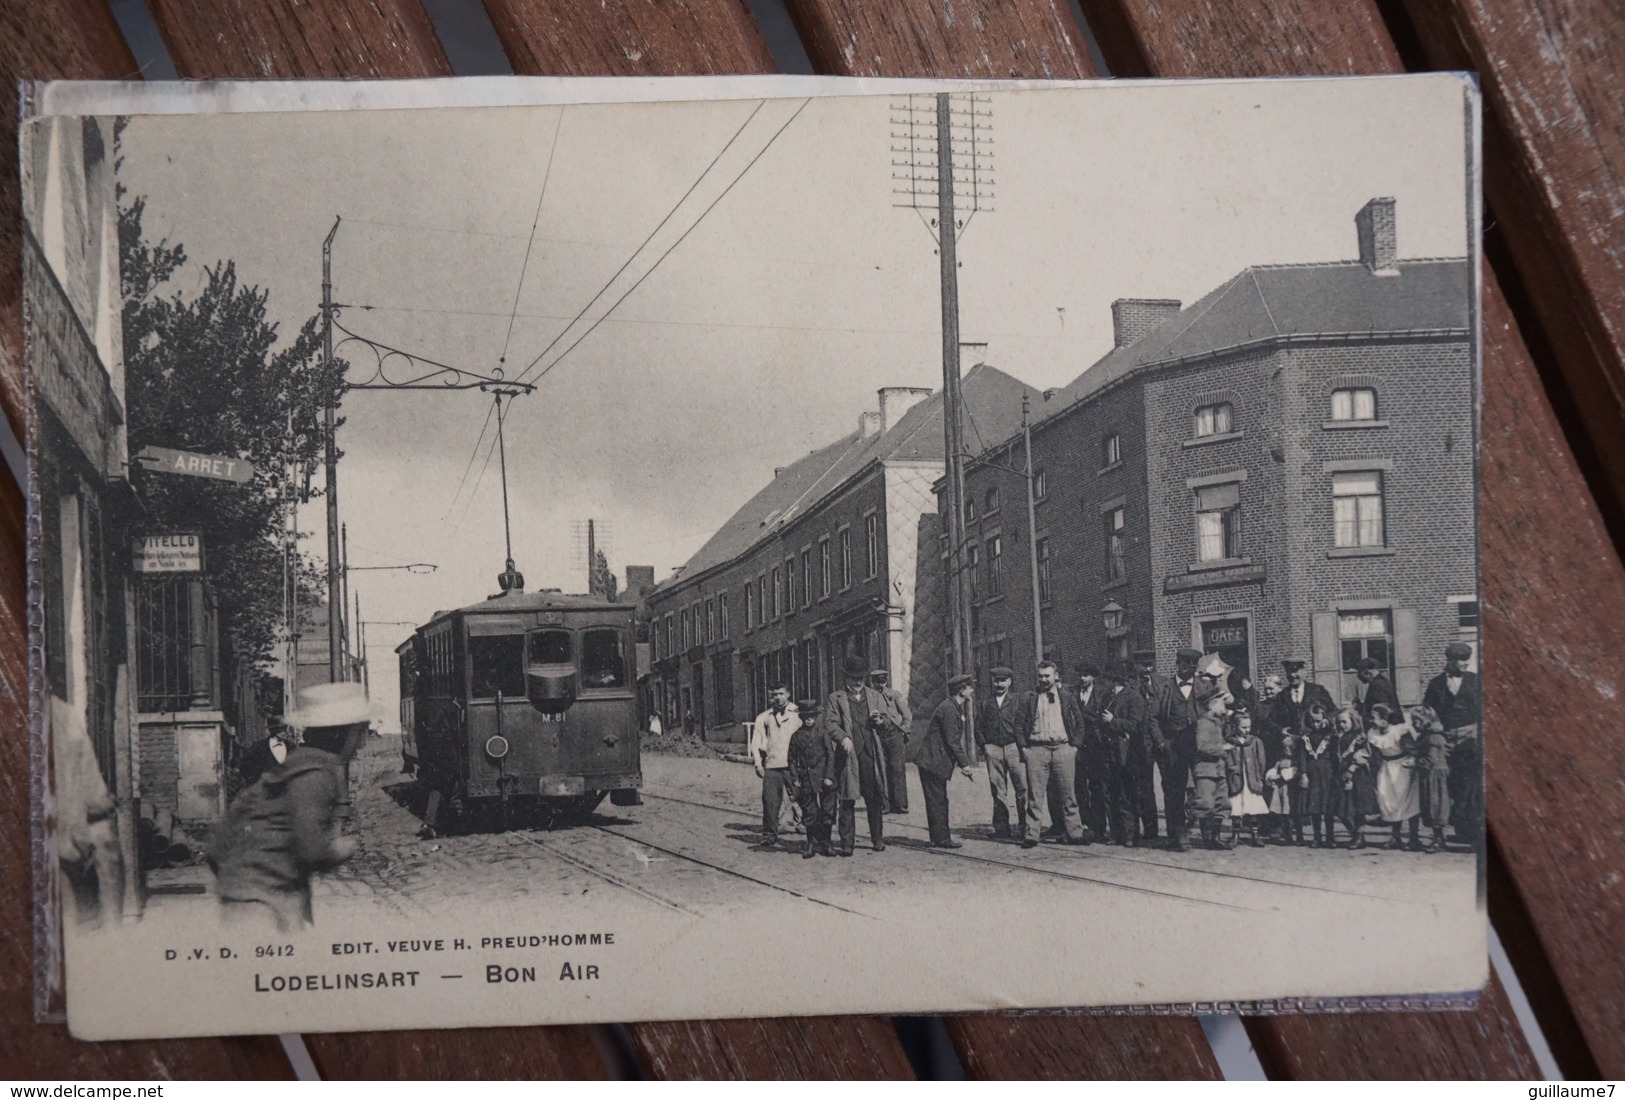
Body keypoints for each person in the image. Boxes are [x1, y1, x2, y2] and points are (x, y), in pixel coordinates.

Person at [211, 682, 363, 931]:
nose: (360, 739)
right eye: (359, 730)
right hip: (262, 894)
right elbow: (311, 846)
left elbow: (222, 839)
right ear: (342, 734)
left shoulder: (298, 763)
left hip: (256, 887)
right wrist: (341, 849)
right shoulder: (314, 773)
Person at [821, 655, 892, 854]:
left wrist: (880, 721)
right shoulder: (836, 698)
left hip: (870, 754)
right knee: (847, 799)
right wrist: (843, 737)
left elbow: (887, 720)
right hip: (848, 756)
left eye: (861, 677)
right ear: (846, 678)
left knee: (874, 799)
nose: (858, 681)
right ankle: (847, 844)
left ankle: (877, 839)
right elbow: (830, 723)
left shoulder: (875, 696)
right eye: (854, 677)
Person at [1021, 661, 1088, 848]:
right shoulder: (1029, 697)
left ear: (1056, 676)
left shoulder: (1066, 696)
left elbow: (1080, 723)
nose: (1043, 680)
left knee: (1068, 794)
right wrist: (1025, 750)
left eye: (1047, 676)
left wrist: (1074, 747)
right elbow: (1019, 725)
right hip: (1037, 750)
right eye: (1040, 676)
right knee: (1035, 795)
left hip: (1062, 749)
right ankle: (1031, 836)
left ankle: (1075, 833)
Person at [1423, 642, 1482, 848]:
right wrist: (1434, 727)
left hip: (1470, 738)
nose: (1465, 664)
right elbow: (1427, 712)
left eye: (1467, 660)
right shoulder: (1436, 684)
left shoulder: (1476, 681)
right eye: (1461, 660)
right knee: (1442, 786)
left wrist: (1478, 733)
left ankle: (1470, 834)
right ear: (1449, 660)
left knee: (1469, 786)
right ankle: (1439, 836)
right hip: (1443, 739)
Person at [1152, 647, 1205, 852]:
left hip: (1197, 745)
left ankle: (1210, 834)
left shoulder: (1203, 686)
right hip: (1172, 746)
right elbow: (1153, 718)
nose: (1188, 669)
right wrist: (1161, 742)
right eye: (1185, 665)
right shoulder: (1164, 687)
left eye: (1192, 666)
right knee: (1174, 791)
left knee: (1204, 787)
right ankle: (1177, 834)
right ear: (1178, 664)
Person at [918, 675, 978, 847]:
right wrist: (965, 764)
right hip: (933, 762)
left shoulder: (952, 706)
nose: (972, 691)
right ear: (962, 690)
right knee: (937, 800)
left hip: (934, 761)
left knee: (938, 800)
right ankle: (942, 839)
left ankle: (939, 837)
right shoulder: (949, 709)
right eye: (969, 688)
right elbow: (952, 741)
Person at [1095, 663, 1150, 846]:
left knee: (1126, 794)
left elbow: (1135, 725)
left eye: (1109, 679)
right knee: (1110, 793)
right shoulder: (1108, 697)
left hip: (1126, 752)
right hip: (1108, 750)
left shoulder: (1133, 697)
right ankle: (1116, 833)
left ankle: (1130, 835)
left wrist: (1113, 721)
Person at [977, 666, 1030, 839]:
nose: (999, 684)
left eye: (1003, 680)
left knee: (1022, 788)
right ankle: (1001, 828)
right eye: (996, 680)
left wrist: (1022, 745)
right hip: (993, 749)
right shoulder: (986, 703)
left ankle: (1025, 827)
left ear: (1009, 681)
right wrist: (984, 745)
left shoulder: (1017, 701)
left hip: (1013, 747)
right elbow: (978, 726)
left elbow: (1024, 723)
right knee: (998, 789)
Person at [748, 684, 800, 848]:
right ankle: (770, 834)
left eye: (781, 693)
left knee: (801, 797)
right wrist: (758, 762)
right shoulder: (764, 717)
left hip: (794, 765)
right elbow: (756, 742)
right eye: (774, 694)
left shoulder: (798, 714)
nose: (778, 697)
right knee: (770, 801)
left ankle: (805, 826)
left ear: (788, 694)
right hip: (772, 764)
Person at [1366, 701, 1422, 850]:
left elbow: (1413, 750)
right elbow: (1373, 754)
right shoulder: (1373, 734)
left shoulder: (1399, 731)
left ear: (1384, 719)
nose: (1371, 720)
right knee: (1389, 801)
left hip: (1403, 768)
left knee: (1408, 801)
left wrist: (1412, 760)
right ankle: (1395, 836)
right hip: (1387, 768)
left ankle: (1414, 837)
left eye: (1374, 717)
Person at [788, 698, 835, 858]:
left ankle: (826, 843)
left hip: (824, 779)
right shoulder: (796, 736)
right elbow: (792, 759)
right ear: (801, 717)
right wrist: (795, 777)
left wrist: (829, 776)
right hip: (806, 778)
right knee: (810, 811)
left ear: (816, 717)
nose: (809, 719)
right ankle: (810, 844)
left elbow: (830, 755)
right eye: (806, 716)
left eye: (812, 716)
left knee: (827, 811)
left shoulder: (823, 734)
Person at [1190, 682, 1234, 850]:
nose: (1224, 705)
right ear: (1213, 704)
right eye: (1222, 702)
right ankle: (1207, 839)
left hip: (1219, 770)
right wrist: (1222, 749)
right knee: (1206, 804)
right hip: (1205, 771)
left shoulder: (1219, 723)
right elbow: (1202, 747)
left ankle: (1215, 838)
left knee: (1221, 804)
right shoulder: (1204, 723)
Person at [1073, 664, 1111, 844]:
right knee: (1079, 787)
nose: (1083, 678)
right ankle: (1083, 825)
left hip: (1096, 746)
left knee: (1097, 787)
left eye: (1086, 675)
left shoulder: (1102, 693)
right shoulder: (1073, 694)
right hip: (1078, 745)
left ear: (1093, 677)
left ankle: (1099, 828)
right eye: (1081, 674)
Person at [868, 668, 914, 814]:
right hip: (878, 734)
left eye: (883, 681)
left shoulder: (895, 695)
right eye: (877, 682)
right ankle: (885, 804)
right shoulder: (869, 697)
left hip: (895, 734)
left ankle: (900, 803)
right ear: (872, 682)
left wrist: (903, 730)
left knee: (898, 768)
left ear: (886, 681)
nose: (881, 685)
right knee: (881, 769)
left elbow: (907, 714)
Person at [1224, 701, 1270, 848]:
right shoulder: (1231, 743)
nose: (1247, 730)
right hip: (1237, 779)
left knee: (1252, 807)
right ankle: (1235, 835)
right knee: (1237, 807)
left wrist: (1260, 777)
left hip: (1251, 780)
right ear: (1235, 727)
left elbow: (1261, 761)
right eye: (1243, 727)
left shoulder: (1255, 742)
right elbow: (1226, 761)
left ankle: (1255, 835)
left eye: (1248, 727)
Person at [1131, 649, 1164, 841]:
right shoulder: (1131, 686)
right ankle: (1150, 830)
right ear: (1136, 666)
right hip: (1141, 742)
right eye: (1144, 665)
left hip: (1160, 740)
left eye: (1150, 665)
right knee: (1145, 786)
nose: (1148, 669)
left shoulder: (1162, 683)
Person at [1410, 704, 1452, 854]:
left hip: (1435, 776)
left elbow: (1431, 759)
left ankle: (1439, 840)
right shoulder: (1426, 736)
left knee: (1436, 805)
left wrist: (1414, 763)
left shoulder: (1434, 737)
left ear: (1425, 721)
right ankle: (1438, 838)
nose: (1413, 724)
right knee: (1431, 805)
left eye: (1415, 721)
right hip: (1429, 775)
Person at [1335, 706, 1378, 851]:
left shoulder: (1359, 738)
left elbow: (1365, 755)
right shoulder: (1337, 737)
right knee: (1342, 809)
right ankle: (1354, 834)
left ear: (1353, 721)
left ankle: (1358, 836)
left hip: (1357, 776)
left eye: (1345, 722)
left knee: (1357, 809)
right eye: (1339, 722)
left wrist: (1352, 769)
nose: (1342, 725)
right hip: (1342, 776)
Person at [1269, 656, 1336, 746]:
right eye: (1289, 671)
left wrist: (1325, 721)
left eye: (1295, 670)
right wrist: (1281, 730)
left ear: (1304, 672)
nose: (1293, 675)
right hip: (1292, 742)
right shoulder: (1282, 696)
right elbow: (1270, 720)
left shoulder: (1317, 691)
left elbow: (1333, 711)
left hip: (1316, 740)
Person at [1299, 700, 1339, 848]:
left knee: (1328, 807)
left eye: (1318, 721)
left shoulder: (1331, 736)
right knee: (1315, 807)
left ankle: (1330, 836)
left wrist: (1336, 774)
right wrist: (1303, 773)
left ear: (1325, 719)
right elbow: (1302, 756)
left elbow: (1335, 755)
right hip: (1312, 772)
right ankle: (1317, 836)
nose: (1315, 724)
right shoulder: (1306, 737)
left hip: (1327, 771)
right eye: (1312, 721)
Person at [1263, 734, 1303, 847]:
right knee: (1283, 815)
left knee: (1292, 814)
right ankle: (1287, 836)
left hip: (1290, 790)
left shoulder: (1295, 761)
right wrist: (1270, 775)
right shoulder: (1281, 760)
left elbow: (1292, 773)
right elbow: (1274, 770)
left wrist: (1280, 777)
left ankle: (1299, 837)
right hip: (1280, 790)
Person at [1355, 657, 1400, 726]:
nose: (1358, 676)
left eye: (1359, 672)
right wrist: (1361, 706)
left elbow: (1381, 711)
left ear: (1367, 672)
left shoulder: (1377, 685)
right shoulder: (1383, 682)